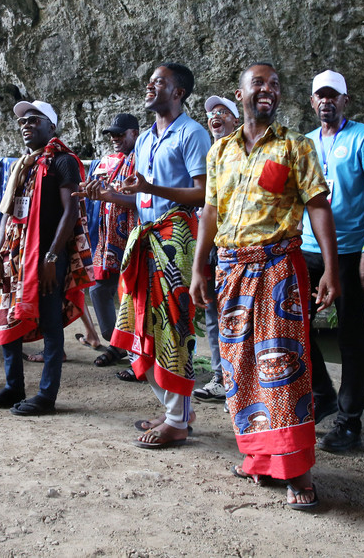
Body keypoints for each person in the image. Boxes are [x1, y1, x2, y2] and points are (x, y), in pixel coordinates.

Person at [191, 62, 339, 510]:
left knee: (284, 368)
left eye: (275, 85)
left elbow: (318, 207)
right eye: (259, 84)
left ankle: (297, 471)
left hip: (278, 268)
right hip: (230, 269)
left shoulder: (296, 146)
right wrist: (200, 268)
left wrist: (330, 268)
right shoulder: (219, 152)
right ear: (240, 95)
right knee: (241, 371)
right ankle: (258, 458)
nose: (268, 91)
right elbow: (210, 215)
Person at [109, 63, 211, 448]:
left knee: (173, 326)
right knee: (142, 324)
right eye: (149, 82)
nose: (150, 87)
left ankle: (178, 420)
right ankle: (175, 410)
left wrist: (152, 186)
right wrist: (110, 196)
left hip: (177, 237)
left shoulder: (193, 134)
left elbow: (203, 194)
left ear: (179, 92)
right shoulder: (147, 139)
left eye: (159, 82)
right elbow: (142, 194)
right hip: (146, 237)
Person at [0, 101, 93, 416]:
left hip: (44, 257)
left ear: (51, 126)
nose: (26, 125)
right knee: (8, 318)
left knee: (51, 324)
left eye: (34, 119)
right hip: (16, 256)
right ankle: (13, 386)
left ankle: (46, 395)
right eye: (22, 122)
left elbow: (71, 212)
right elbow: (8, 213)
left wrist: (52, 256)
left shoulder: (63, 162)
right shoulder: (24, 165)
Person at [299, 70, 364, 451]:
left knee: (350, 335)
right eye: (320, 95)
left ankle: (349, 422)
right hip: (306, 249)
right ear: (311, 102)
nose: (326, 101)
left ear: (345, 101)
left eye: (333, 95)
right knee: (290, 323)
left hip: (351, 250)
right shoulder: (304, 142)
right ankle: (321, 393)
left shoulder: (363, 136)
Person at [76, 113, 140, 368]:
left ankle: (129, 350)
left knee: (132, 294)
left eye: (120, 133)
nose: (115, 138)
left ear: (134, 132)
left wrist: (109, 195)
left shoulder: (144, 159)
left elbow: (145, 199)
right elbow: (98, 189)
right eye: (112, 133)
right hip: (107, 238)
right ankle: (115, 341)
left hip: (135, 236)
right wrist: (88, 190)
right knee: (98, 289)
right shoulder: (107, 159)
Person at [193, 94, 240, 402]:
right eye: (211, 113)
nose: (215, 117)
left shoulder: (243, 151)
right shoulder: (211, 153)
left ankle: (241, 383)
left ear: (237, 120)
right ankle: (221, 376)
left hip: (238, 245)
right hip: (211, 241)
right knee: (213, 310)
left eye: (223, 112)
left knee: (237, 312)